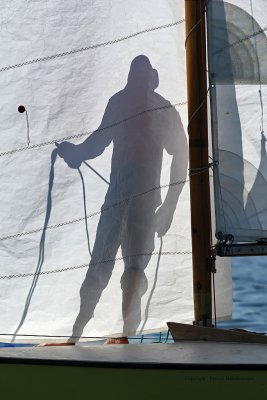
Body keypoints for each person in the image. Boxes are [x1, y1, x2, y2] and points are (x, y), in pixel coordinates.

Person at [56, 55, 188, 343]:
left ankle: (112, 334)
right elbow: (98, 142)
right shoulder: (131, 103)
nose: (140, 80)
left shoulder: (158, 109)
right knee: (111, 264)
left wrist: (169, 206)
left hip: (139, 199)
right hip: (125, 197)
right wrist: (76, 152)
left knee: (128, 268)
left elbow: (181, 154)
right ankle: (78, 332)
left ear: (150, 79)